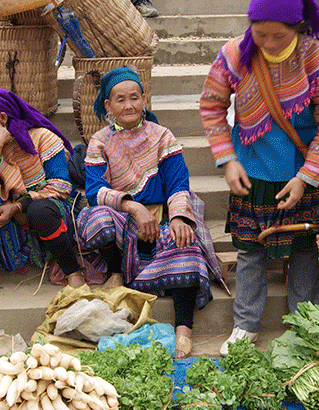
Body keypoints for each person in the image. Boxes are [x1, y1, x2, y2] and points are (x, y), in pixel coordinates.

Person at [199, 0, 319, 356]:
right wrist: (228, 161)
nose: (270, 43)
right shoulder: (235, 55)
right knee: (249, 249)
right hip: (253, 168)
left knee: (304, 247)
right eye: (260, 34)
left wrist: (306, 177)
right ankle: (245, 325)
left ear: (298, 26)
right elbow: (212, 107)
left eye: (279, 35)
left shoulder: (317, 58)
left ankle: (304, 322)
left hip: (302, 168)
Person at [77, 67, 221, 359]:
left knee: (184, 241)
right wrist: (133, 206)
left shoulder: (161, 136)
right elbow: (94, 190)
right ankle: (116, 271)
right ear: (108, 105)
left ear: (144, 99)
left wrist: (179, 217)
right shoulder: (100, 141)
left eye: (134, 98)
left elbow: (179, 183)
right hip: (123, 216)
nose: (128, 105)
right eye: (120, 100)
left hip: (162, 215)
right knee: (97, 218)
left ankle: (183, 329)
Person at [0, 87, 90, 293]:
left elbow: (60, 186)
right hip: (12, 223)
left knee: (39, 209)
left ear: (2, 118)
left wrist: (18, 206)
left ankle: (72, 271)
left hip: (50, 213)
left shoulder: (42, 138)